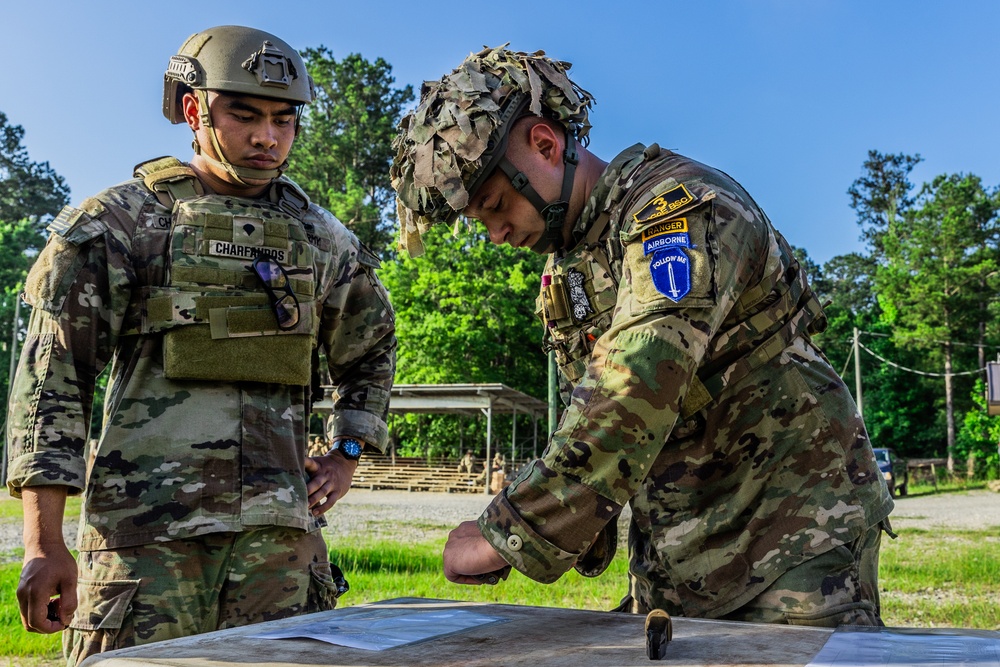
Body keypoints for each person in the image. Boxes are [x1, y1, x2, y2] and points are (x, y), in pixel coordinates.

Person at [391, 45, 894, 626]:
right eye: (482, 223)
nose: (498, 234)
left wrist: (512, 528)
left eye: (498, 206)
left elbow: (638, 377)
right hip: (678, 558)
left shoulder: (675, 212)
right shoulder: (569, 269)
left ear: (546, 146)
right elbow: (586, 406)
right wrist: (581, 532)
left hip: (794, 538)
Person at [5, 25, 396, 665]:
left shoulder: (322, 237)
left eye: (283, 119)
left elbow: (372, 347)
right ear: (194, 111)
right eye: (244, 115)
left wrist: (348, 448)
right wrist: (43, 543)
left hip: (279, 551)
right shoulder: (119, 223)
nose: (268, 137)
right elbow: (53, 381)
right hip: (145, 544)